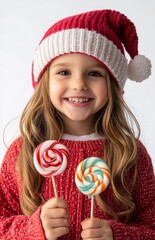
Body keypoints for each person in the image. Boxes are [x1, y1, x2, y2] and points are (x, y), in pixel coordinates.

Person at [0, 8, 155, 240]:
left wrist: (118, 234)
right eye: (64, 72)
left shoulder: (130, 153)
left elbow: (151, 227)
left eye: (94, 73)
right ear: (45, 82)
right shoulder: (24, 151)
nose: (79, 84)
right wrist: (34, 229)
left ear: (113, 84)